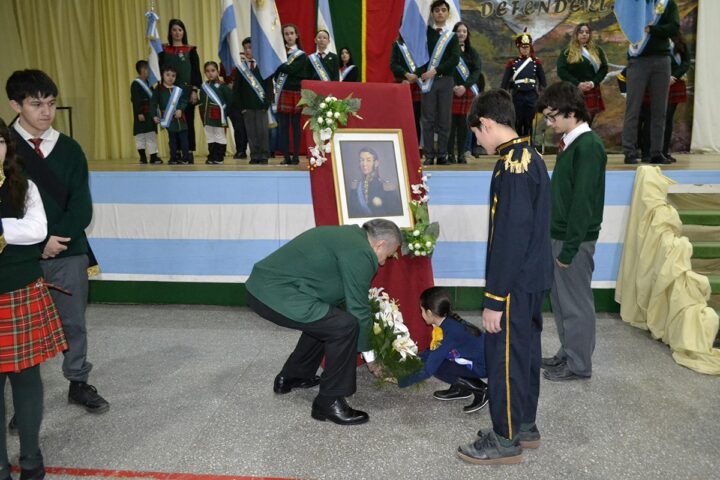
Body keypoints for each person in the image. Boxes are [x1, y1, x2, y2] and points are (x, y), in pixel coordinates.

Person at [6, 70, 110, 417]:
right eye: (36, 104)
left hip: (68, 251)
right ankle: (25, 401)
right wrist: (38, 245)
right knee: (20, 327)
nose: (46, 112)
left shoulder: (70, 149)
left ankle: (78, 381)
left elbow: (81, 206)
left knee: (73, 322)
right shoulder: (5, 149)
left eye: (50, 103)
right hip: (17, 257)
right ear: (15, 105)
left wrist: (55, 241)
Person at [457, 89, 552, 465]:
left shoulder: (511, 164)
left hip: (512, 284)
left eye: (477, 134)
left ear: (488, 123)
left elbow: (510, 236)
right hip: (531, 278)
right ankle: (524, 424)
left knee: (506, 360)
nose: (478, 142)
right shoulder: (532, 156)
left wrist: (494, 298)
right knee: (525, 356)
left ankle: (505, 438)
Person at [245, 219, 402, 426]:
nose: (382, 263)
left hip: (263, 288)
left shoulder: (347, 237)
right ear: (379, 244)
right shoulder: (360, 251)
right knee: (344, 326)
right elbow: (358, 310)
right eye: (387, 256)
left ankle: (293, 376)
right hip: (274, 294)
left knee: (329, 319)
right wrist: (372, 359)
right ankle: (329, 401)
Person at [0, 118, 68, 480]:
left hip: (19, 294)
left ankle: (31, 460)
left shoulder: (23, 187)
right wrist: (14, 231)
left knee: (27, 382)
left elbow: (37, 230)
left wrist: (2, 229)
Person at [538, 82, 607, 382]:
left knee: (576, 303)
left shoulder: (589, 146)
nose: (549, 123)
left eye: (553, 116)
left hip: (573, 241)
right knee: (562, 300)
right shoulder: (571, 142)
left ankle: (579, 364)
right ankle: (568, 352)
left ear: (571, 112)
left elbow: (583, 203)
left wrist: (568, 249)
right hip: (561, 236)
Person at [398, 287, 488, 414]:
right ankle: (461, 389)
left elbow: (429, 369)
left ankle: (481, 389)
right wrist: (416, 358)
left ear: (429, 313)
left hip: (484, 366)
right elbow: (434, 350)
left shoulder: (449, 331)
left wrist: (401, 380)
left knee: (438, 367)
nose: (421, 314)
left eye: (421, 310)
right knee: (438, 359)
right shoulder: (447, 322)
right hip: (481, 360)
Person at [621, 0, 680, 165]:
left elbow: (673, 27)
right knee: (633, 108)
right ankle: (629, 151)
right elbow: (628, 25)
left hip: (662, 59)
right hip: (638, 60)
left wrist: (652, 29)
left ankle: (656, 152)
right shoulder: (636, 4)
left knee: (660, 109)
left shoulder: (668, 4)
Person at [419, 0, 461, 166]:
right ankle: (429, 155)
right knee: (428, 119)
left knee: (444, 119)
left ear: (448, 13)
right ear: (432, 13)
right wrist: (421, 73)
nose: (440, 13)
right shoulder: (424, 33)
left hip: (445, 81)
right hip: (428, 82)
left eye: (443, 10)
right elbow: (419, 54)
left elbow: (454, 59)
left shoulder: (451, 36)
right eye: (437, 10)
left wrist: (435, 70)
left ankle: (442, 154)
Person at [639, 31, 691, 163]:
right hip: (655, 82)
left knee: (667, 119)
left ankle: (663, 151)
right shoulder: (653, 39)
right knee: (651, 118)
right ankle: (646, 152)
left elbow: (686, 62)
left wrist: (674, 76)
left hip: (674, 82)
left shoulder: (680, 42)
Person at [159, 19, 201, 164]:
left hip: (186, 92)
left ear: (184, 32)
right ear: (170, 32)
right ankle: (175, 153)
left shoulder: (191, 50)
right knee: (171, 122)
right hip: (168, 93)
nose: (177, 33)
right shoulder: (163, 50)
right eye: (174, 30)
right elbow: (159, 70)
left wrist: (194, 90)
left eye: (180, 30)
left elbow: (196, 72)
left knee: (187, 122)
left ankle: (188, 152)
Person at [557, 23, 609, 126]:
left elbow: (604, 68)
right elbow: (561, 70)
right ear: (576, 34)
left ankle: (584, 141)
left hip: (592, 89)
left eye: (587, 32)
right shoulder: (567, 52)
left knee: (587, 122)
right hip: (574, 90)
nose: (584, 34)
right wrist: (577, 84)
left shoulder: (597, 50)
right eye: (581, 32)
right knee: (575, 122)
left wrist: (593, 82)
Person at [500, 30, 546, 140]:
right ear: (519, 48)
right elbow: (505, 82)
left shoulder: (536, 62)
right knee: (518, 121)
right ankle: (518, 144)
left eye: (527, 47)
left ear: (530, 48)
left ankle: (528, 145)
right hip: (518, 95)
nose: (525, 49)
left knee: (529, 121)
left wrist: (542, 92)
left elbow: (543, 81)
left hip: (531, 95)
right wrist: (503, 94)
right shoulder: (513, 63)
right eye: (522, 47)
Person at [233, 37, 272, 165]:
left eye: (250, 47)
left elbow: (268, 86)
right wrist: (240, 106)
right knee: (251, 131)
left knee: (262, 131)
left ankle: (264, 154)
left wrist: (267, 103)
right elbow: (236, 89)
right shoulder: (241, 68)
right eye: (245, 48)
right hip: (247, 106)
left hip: (261, 105)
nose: (248, 50)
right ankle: (254, 155)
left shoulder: (263, 65)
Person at [448, 21, 481, 164]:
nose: (461, 34)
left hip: (466, 92)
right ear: (454, 33)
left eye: (464, 31)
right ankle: (449, 154)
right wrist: (454, 86)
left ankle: (461, 154)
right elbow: (445, 69)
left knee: (463, 126)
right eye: (459, 31)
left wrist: (464, 86)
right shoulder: (447, 51)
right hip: (450, 91)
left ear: (467, 35)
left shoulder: (472, 52)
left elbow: (476, 71)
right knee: (449, 126)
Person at [275, 24, 307, 166]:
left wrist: (279, 64)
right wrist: (280, 65)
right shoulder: (280, 53)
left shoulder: (301, 55)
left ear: (296, 35)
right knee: (283, 126)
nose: (289, 36)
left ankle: (295, 157)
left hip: (295, 92)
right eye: (286, 34)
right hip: (283, 92)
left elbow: (292, 70)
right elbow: (277, 73)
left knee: (295, 126)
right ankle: (286, 156)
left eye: (291, 33)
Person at [151, 65, 190, 165]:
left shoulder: (178, 89)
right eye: (167, 75)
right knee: (172, 140)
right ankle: (173, 158)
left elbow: (184, 100)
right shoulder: (158, 89)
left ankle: (185, 158)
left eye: (173, 75)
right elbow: (153, 103)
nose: (170, 77)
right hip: (169, 119)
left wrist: (180, 109)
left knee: (184, 139)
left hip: (181, 119)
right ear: (162, 75)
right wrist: (154, 115)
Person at [347, 147, 402, 218]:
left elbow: (395, 214)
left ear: (376, 163)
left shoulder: (387, 187)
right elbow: (352, 212)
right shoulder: (355, 186)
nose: (364, 164)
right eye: (361, 160)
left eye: (368, 160)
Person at [389, 34, 422, 147]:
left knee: (416, 118)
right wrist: (405, 74)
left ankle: (416, 147)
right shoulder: (397, 45)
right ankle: (401, 145)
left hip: (418, 84)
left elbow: (425, 62)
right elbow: (393, 65)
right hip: (403, 83)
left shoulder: (420, 44)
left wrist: (416, 76)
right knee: (402, 117)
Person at [199, 61, 233, 165]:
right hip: (207, 116)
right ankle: (212, 156)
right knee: (210, 136)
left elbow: (230, 101)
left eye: (213, 71)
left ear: (217, 72)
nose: (210, 73)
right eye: (208, 71)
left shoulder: (223, 86)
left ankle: (219, 157)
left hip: (219, 116)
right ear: (205, 73)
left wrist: (225, 113)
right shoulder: (204, 86)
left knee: (219, 136)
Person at [130, 60, 161, 165]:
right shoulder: (135, 84)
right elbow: (136, 100)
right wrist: (139, 112)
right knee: (140, 136)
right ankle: (143, 157)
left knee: (151, 135)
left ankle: (153, 157)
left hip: (150, 113)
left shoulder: (149, 84)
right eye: (148, 69)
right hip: (141, 113)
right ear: (143, 70)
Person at [220, 61, 249, 160]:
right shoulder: (224, 61)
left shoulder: (244, 61)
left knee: (246, 127)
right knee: (238, 127)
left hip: (244, 98)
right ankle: (240, 150)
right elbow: (223, 77)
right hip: (231, 100)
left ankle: (250, 150)